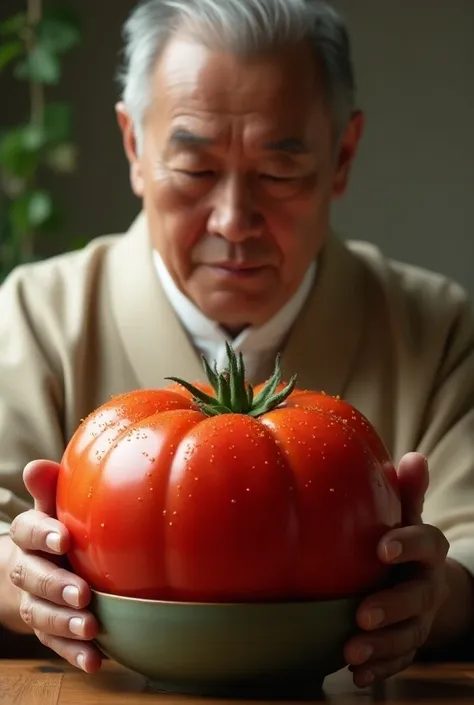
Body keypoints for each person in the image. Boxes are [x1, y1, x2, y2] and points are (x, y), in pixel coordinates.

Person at [0, 0, 473, 690]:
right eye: (194, 170)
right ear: (135, 147)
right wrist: (20, 580)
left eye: (278, 174)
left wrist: (437, 595)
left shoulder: (434, 326)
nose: (233, 220)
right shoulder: (35, 313)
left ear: (342, 156)